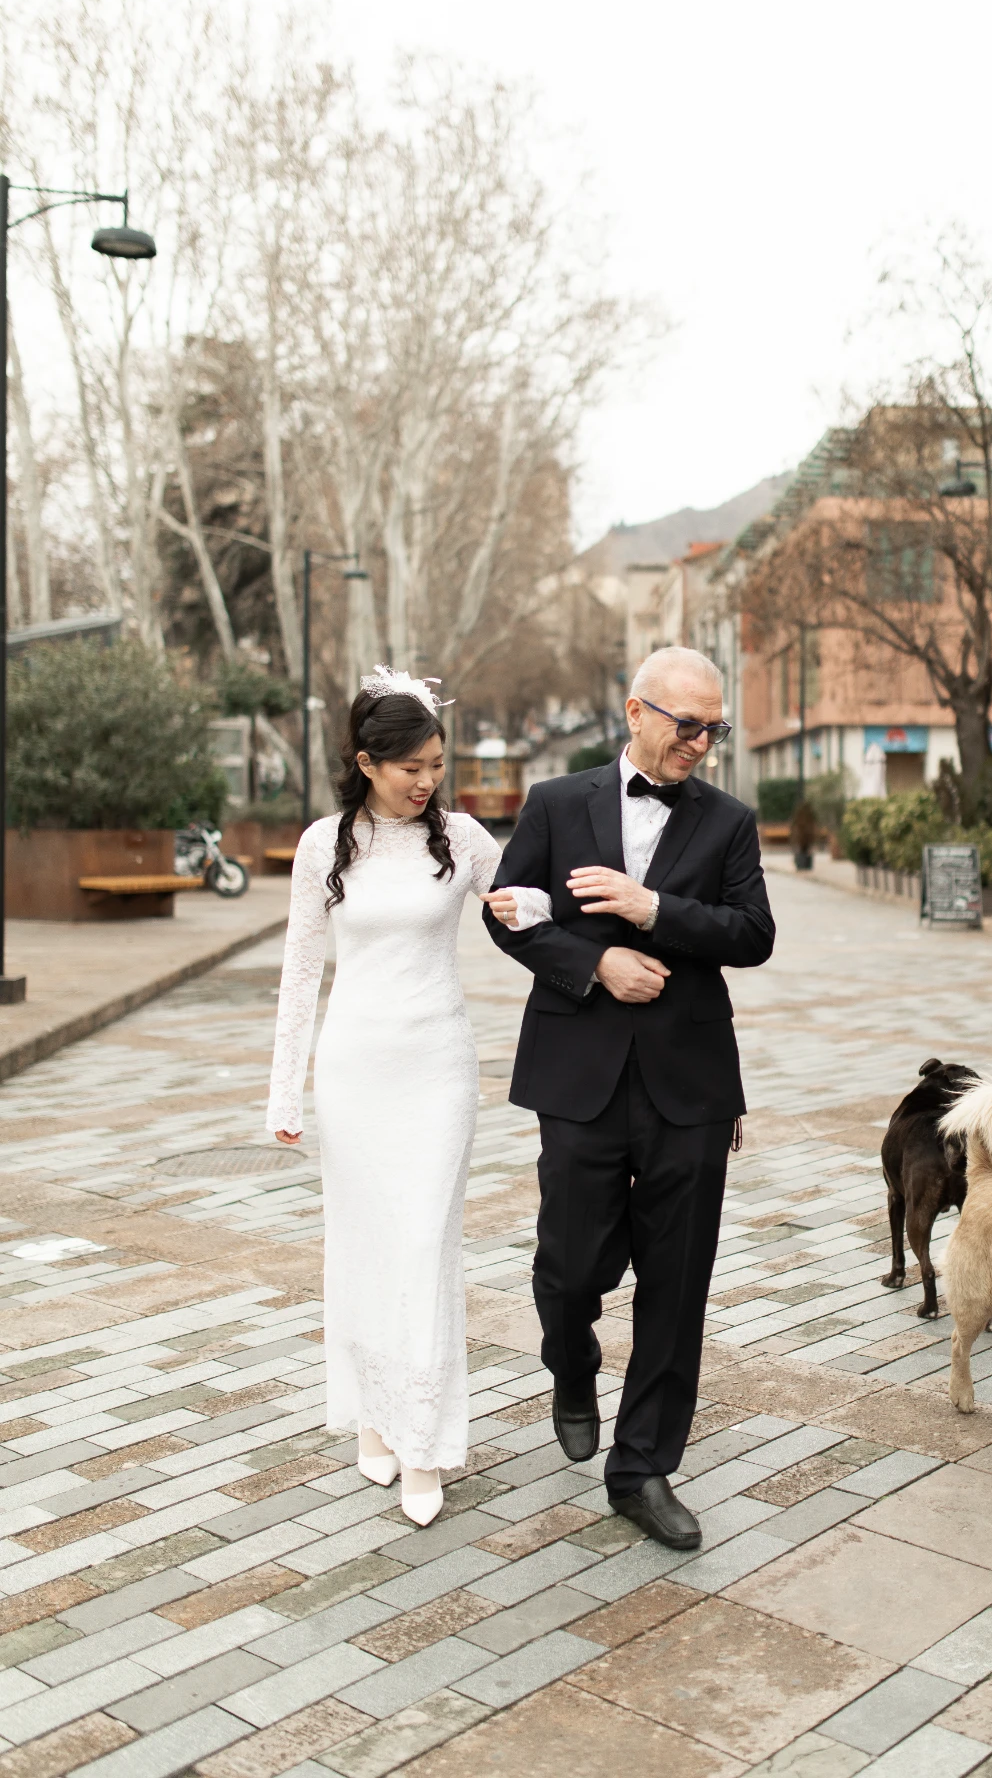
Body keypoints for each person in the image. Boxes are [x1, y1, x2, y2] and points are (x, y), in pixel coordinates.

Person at [484, 646, 775, 1549]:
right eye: (687, 724)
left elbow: (753, 935)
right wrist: (597, 962)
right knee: (570, 1268)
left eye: (714, 729)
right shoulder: (554, 803)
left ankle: (642, 1468)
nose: (700, 743)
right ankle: (570, 1362)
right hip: (579, 1076)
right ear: (636, 711)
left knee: (677, 1284)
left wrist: (651, 912)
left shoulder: (729, 822)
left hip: (692, 1083)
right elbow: (509, 912)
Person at [266, 668, 542, 1526]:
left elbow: (527, 900)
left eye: (436, 764)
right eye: (411, 767)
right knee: (363, 1246)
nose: (428, 781)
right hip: (354, 1070)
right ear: (367, 763)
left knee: (423, 1246)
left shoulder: (460, 837)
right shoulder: (324, 845)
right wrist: (284, 1091)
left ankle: (422, 1441)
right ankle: (372, 1416)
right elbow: (300, 970)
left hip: (437, 1069)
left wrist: (527, 904)